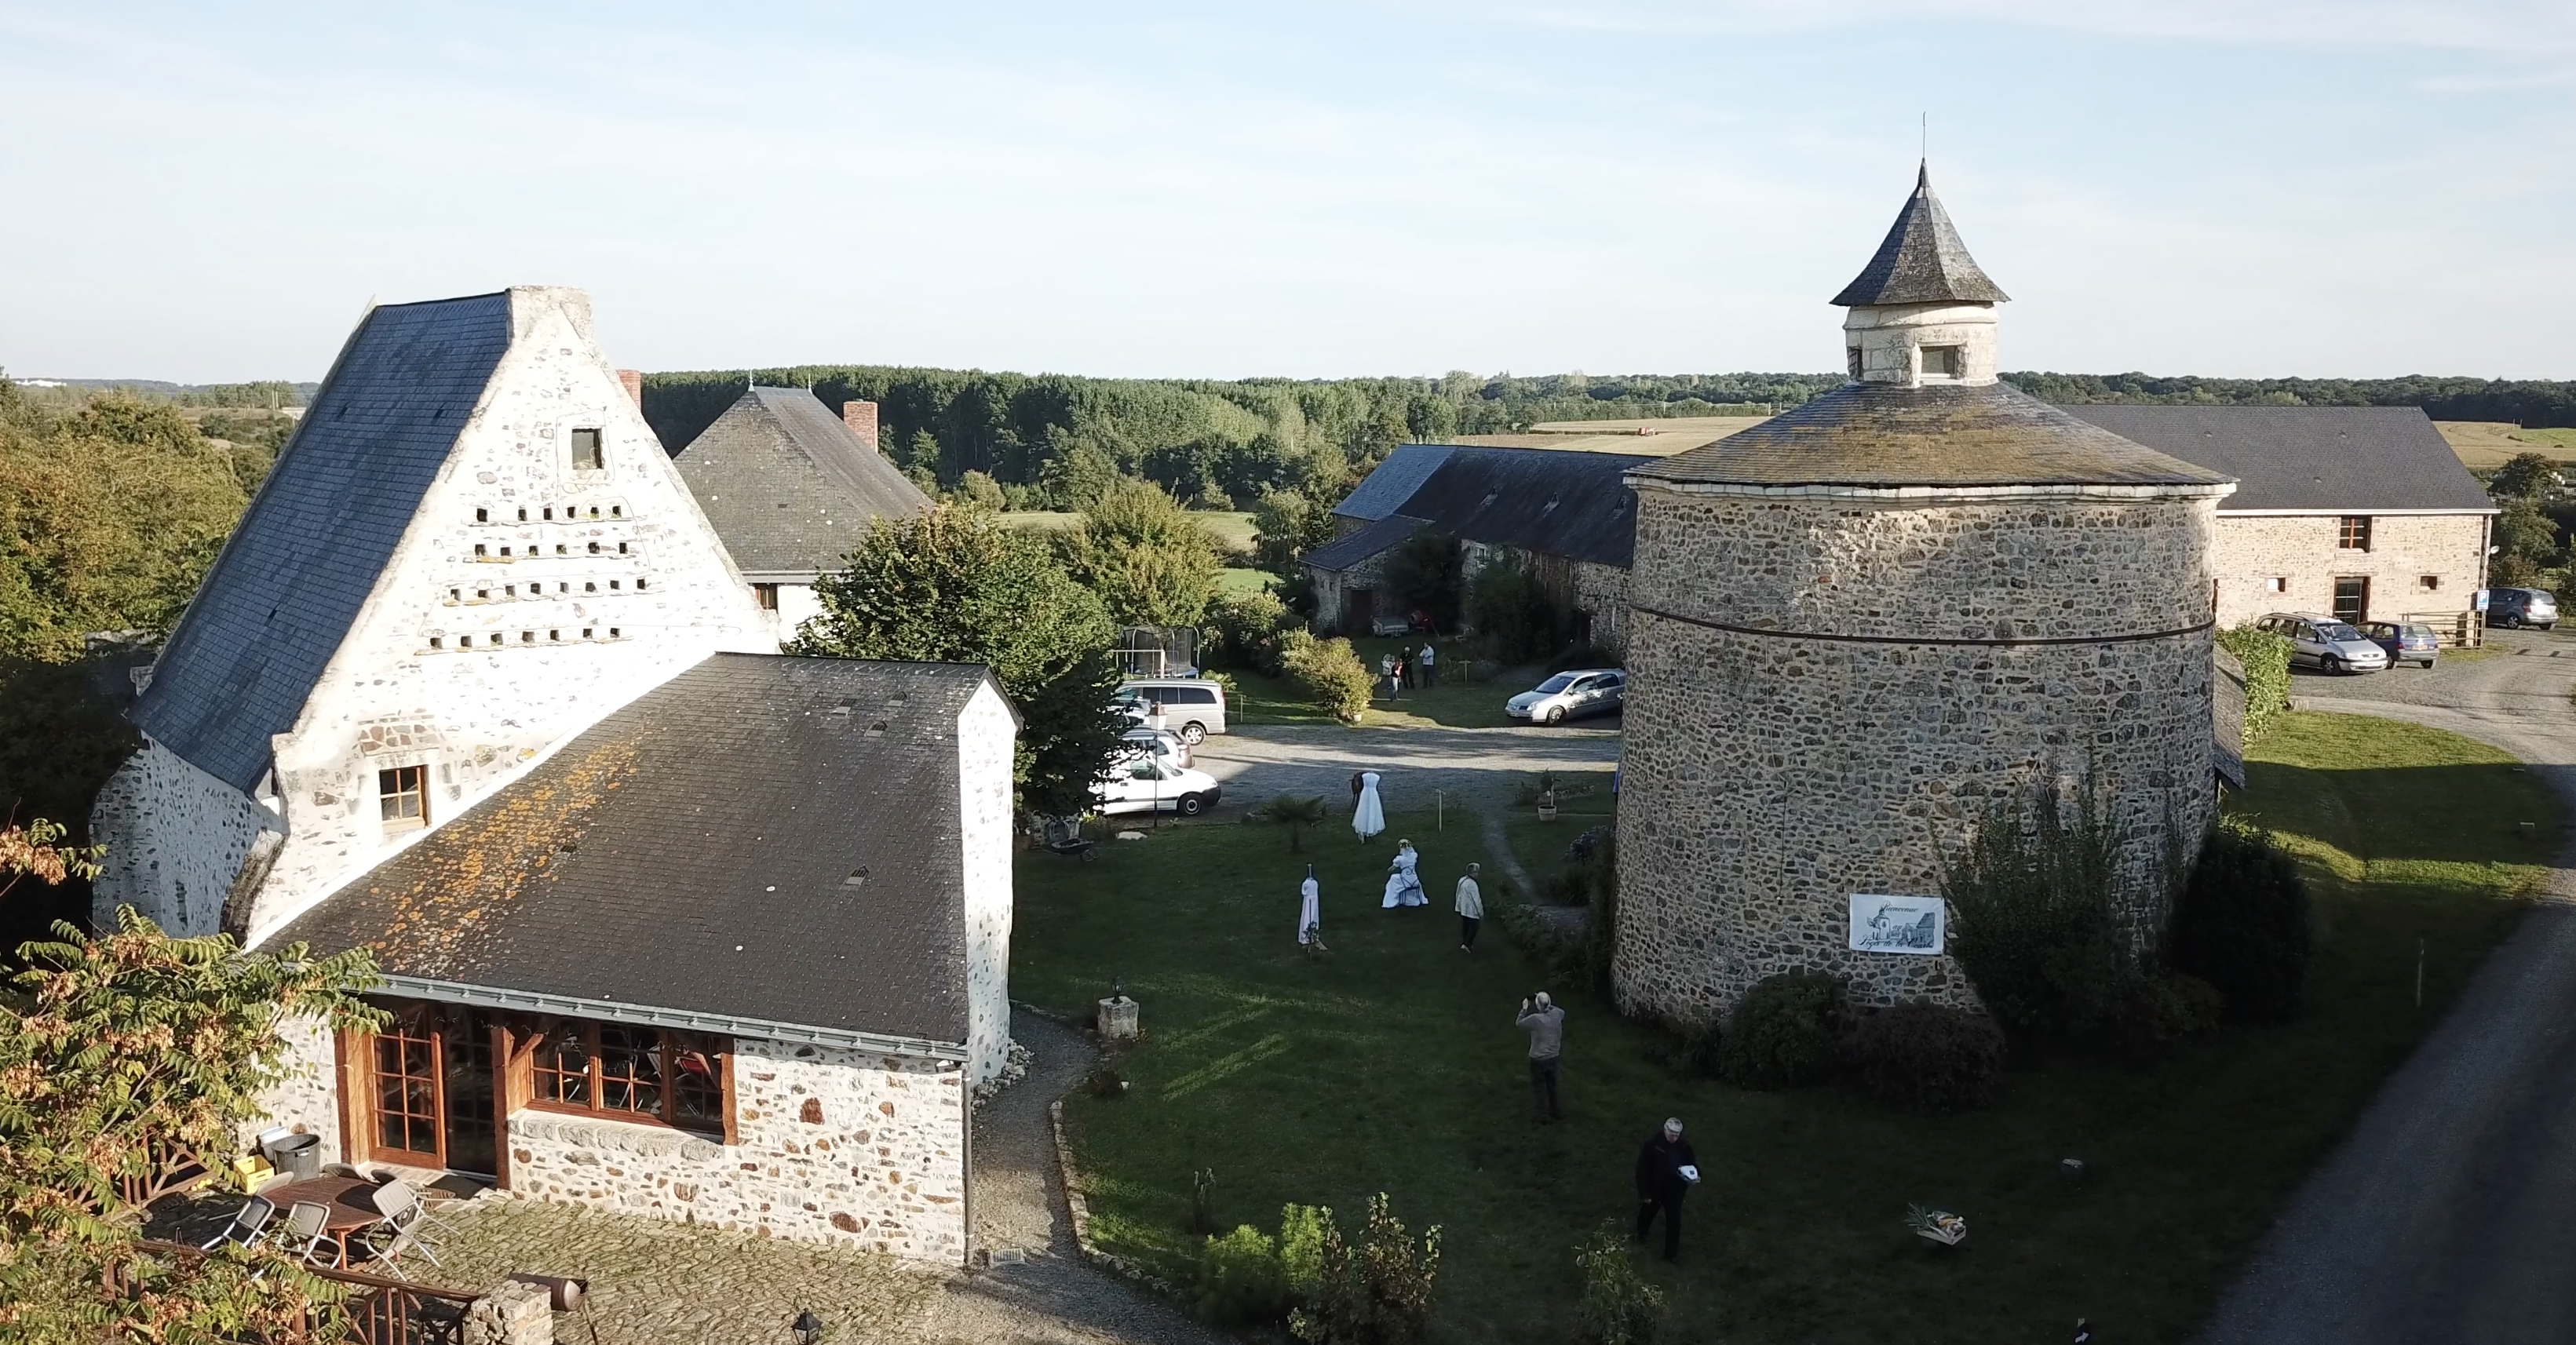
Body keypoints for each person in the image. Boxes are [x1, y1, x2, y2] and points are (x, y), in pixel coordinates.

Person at [1633, 1117, 1698, 1262]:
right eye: (1671, 1134)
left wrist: (1694, 1175)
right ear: (1665, 1131)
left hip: (1675, 1190)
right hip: (1656, 1188)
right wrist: (1645, 1193)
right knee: (1648, 1212)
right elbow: (1642, 1169)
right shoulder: (1653, 1145)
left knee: (1674, 1222)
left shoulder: (1684, 1147)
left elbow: (1692, 1164)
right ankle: (1641, 1233)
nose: (1674, 1138)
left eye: (1677, 1135)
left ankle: (1670, 1254)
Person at [1516, 992, 1563, 1123]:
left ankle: (1543, 1116)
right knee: (1552, 1085)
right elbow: (1559, 1010)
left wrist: (1524, 1008)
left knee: (1539, 1087)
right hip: (1553, 1057)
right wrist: (1547, 1003)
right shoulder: (1558, 1014)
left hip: (1538, 1059)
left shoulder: (1535, 1019)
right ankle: (1556, 1111)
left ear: (1537, 1005)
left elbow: (1519, 1023)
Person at [1381, 840, 1427, 908]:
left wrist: (1387, 870)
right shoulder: (1414, 856)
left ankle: (1391, 899)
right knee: (1397, 878)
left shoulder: (1400, 859)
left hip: (1405, 881)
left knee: (1393, 879)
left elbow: (1392, 868)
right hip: (1415, 880)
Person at [1455, 862, 1483, 950]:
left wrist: (1458, 906)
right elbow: (1477, 900)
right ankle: (1468, 944)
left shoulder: (1462, 880)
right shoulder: (1472, 885)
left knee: (1466, 926)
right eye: (1477, 872)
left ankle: (1465, 942)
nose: (1478, 874)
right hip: (1472, 911)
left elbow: (1458, 894)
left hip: (1463, 909)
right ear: (1473, 873)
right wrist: (1480, 913)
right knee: (1474, 927)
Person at [1352, 771, 1385, 842]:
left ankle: (1367, 831)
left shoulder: (1367, 776)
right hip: (1371, 793)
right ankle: (1366, 831)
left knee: (1370, 810)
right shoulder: (1375, 777)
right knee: (1365, 810)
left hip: (1368, 793)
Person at [1297, 865, 1323, 947]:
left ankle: (1307, 936)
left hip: (1308, 901)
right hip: (1314, 901)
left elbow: (1304, 892)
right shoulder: (1315, 883)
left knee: (1307, 917)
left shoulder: (1306, 884)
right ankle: (1311, 935)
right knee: (1312, 916)